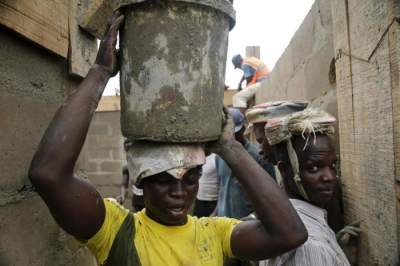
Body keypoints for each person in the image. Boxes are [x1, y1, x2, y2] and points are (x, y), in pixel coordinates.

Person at [28, 11, 307, 265]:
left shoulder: (215, 233)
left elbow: (290, 234)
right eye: (163, 179)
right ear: (141, 181)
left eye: (191, 178)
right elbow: (48, 174)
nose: (179, 192)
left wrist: (229, 148)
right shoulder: (117, 231)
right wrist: (100, 73)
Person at [258, 108, 360, 266]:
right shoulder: (309, 246)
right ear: (285, 170)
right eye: (313, 168)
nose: (330, 177)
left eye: (333, 165)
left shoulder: (285, 218)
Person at [217, 108, 275, 219]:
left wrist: (253, 218)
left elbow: (271, 196)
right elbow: (222, 188)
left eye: (234, 133)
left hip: (246, 225)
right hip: (223, 224)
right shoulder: (220, 156)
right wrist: (216, 214)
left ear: (243, 128)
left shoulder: (259, 157)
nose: (231, 137)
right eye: (227, 134)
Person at [117, 140, 145, 212]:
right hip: (137, 199)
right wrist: (122, 195)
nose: (129, 152)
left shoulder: (145, 162)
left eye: (131, 149)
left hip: (149, 197)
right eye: (127, 150)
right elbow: (124, 184)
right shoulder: (127, 166)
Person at [193, 153, 219, 217]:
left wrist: (216, 210)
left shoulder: (216, 158)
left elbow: (223, 184)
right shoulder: (199, 157)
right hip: (199, 200)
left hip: (213, 201)